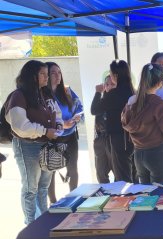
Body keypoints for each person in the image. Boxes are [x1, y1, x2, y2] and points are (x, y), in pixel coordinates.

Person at [5, 60, 63, 224]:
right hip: (27, 146)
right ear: (32, 77)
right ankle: (31, 224)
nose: (47, 78)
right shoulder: (18, 96)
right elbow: (20, 126)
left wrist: (57, 125)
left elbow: (57, 113)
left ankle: (42, 221)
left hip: (46, 146)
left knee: (43, 186)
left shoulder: (44, 94)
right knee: (31, 188)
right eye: (43, 74)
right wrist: (45, 131)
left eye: (46, 74)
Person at [121, 63, 163, 184]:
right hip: (159, 154)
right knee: (161, 195)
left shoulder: (131, 102)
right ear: (160, 82)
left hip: (138, 154)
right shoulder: (159, 104)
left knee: (146, 194)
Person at [46, 62, 83, 203]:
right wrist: (61, 125)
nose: (57, 76)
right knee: (51, 171)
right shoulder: (43, 95)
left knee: (73, 168)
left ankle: (73, 199)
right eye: (53, 73)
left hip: (71, 136)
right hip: (53, 138)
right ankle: (53, 202)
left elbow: (80, 107)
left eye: (59, 72)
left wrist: (77, 117)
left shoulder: (67, 90)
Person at [95, 60, 136, 182]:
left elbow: (95, 109)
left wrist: (98, 92)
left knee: (123, 176)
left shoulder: (114, 94)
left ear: (116, 75)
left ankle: (127, 200)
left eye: (111, 74)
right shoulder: (133, 91)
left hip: (119, 138)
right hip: (134, 137)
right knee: (133, 173)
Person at [91, 75, 112, 183]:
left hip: (113, 139)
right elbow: (93, 110)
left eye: (112, 84)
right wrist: (98, 93)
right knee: (101, 172)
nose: (109, 87)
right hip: (100, 139)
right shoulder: (102, 100)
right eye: (107, 84)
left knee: (119, 173)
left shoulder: (121, 98)